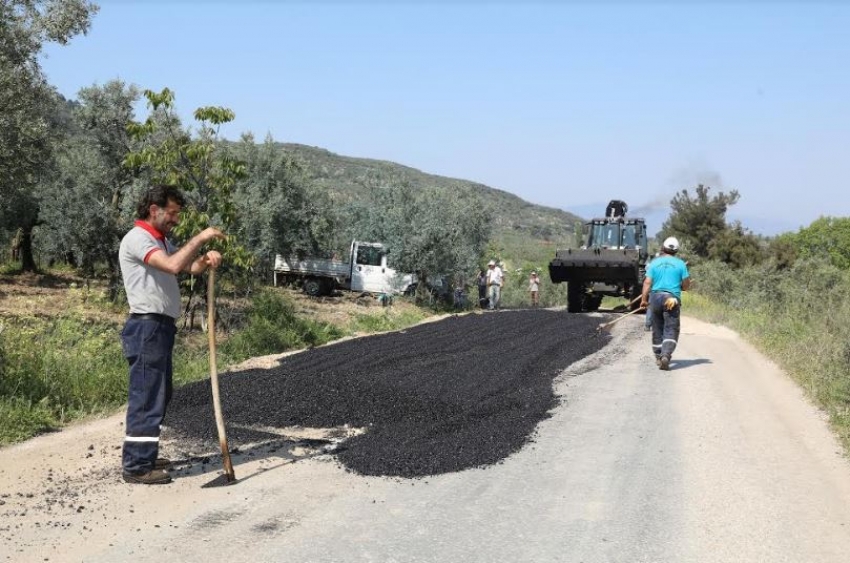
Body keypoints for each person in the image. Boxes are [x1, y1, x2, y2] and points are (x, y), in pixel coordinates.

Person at [118, 185, 225, 485]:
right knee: (147, 395)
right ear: (154, 209)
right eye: (173, 213)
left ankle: (145, 454)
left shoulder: (159, 240)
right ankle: (137, 467)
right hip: (146, 326)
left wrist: (205, 260)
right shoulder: (138, 238)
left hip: (160, 327)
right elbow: (173, 265)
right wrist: (202, 236)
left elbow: (188, 267)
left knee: (160, 395)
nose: (175, 219)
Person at [640, 237, 691, 371]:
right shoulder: (681, 264)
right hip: (671, 299)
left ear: (663, 247)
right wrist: (683, 287)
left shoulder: (654, 263)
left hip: (655, 298)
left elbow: (647, 282)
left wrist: (644, 300)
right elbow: (686, 285)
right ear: (676, 250)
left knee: (657, 328)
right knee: (671, 328)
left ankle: (658, 356)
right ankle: (666, 355)